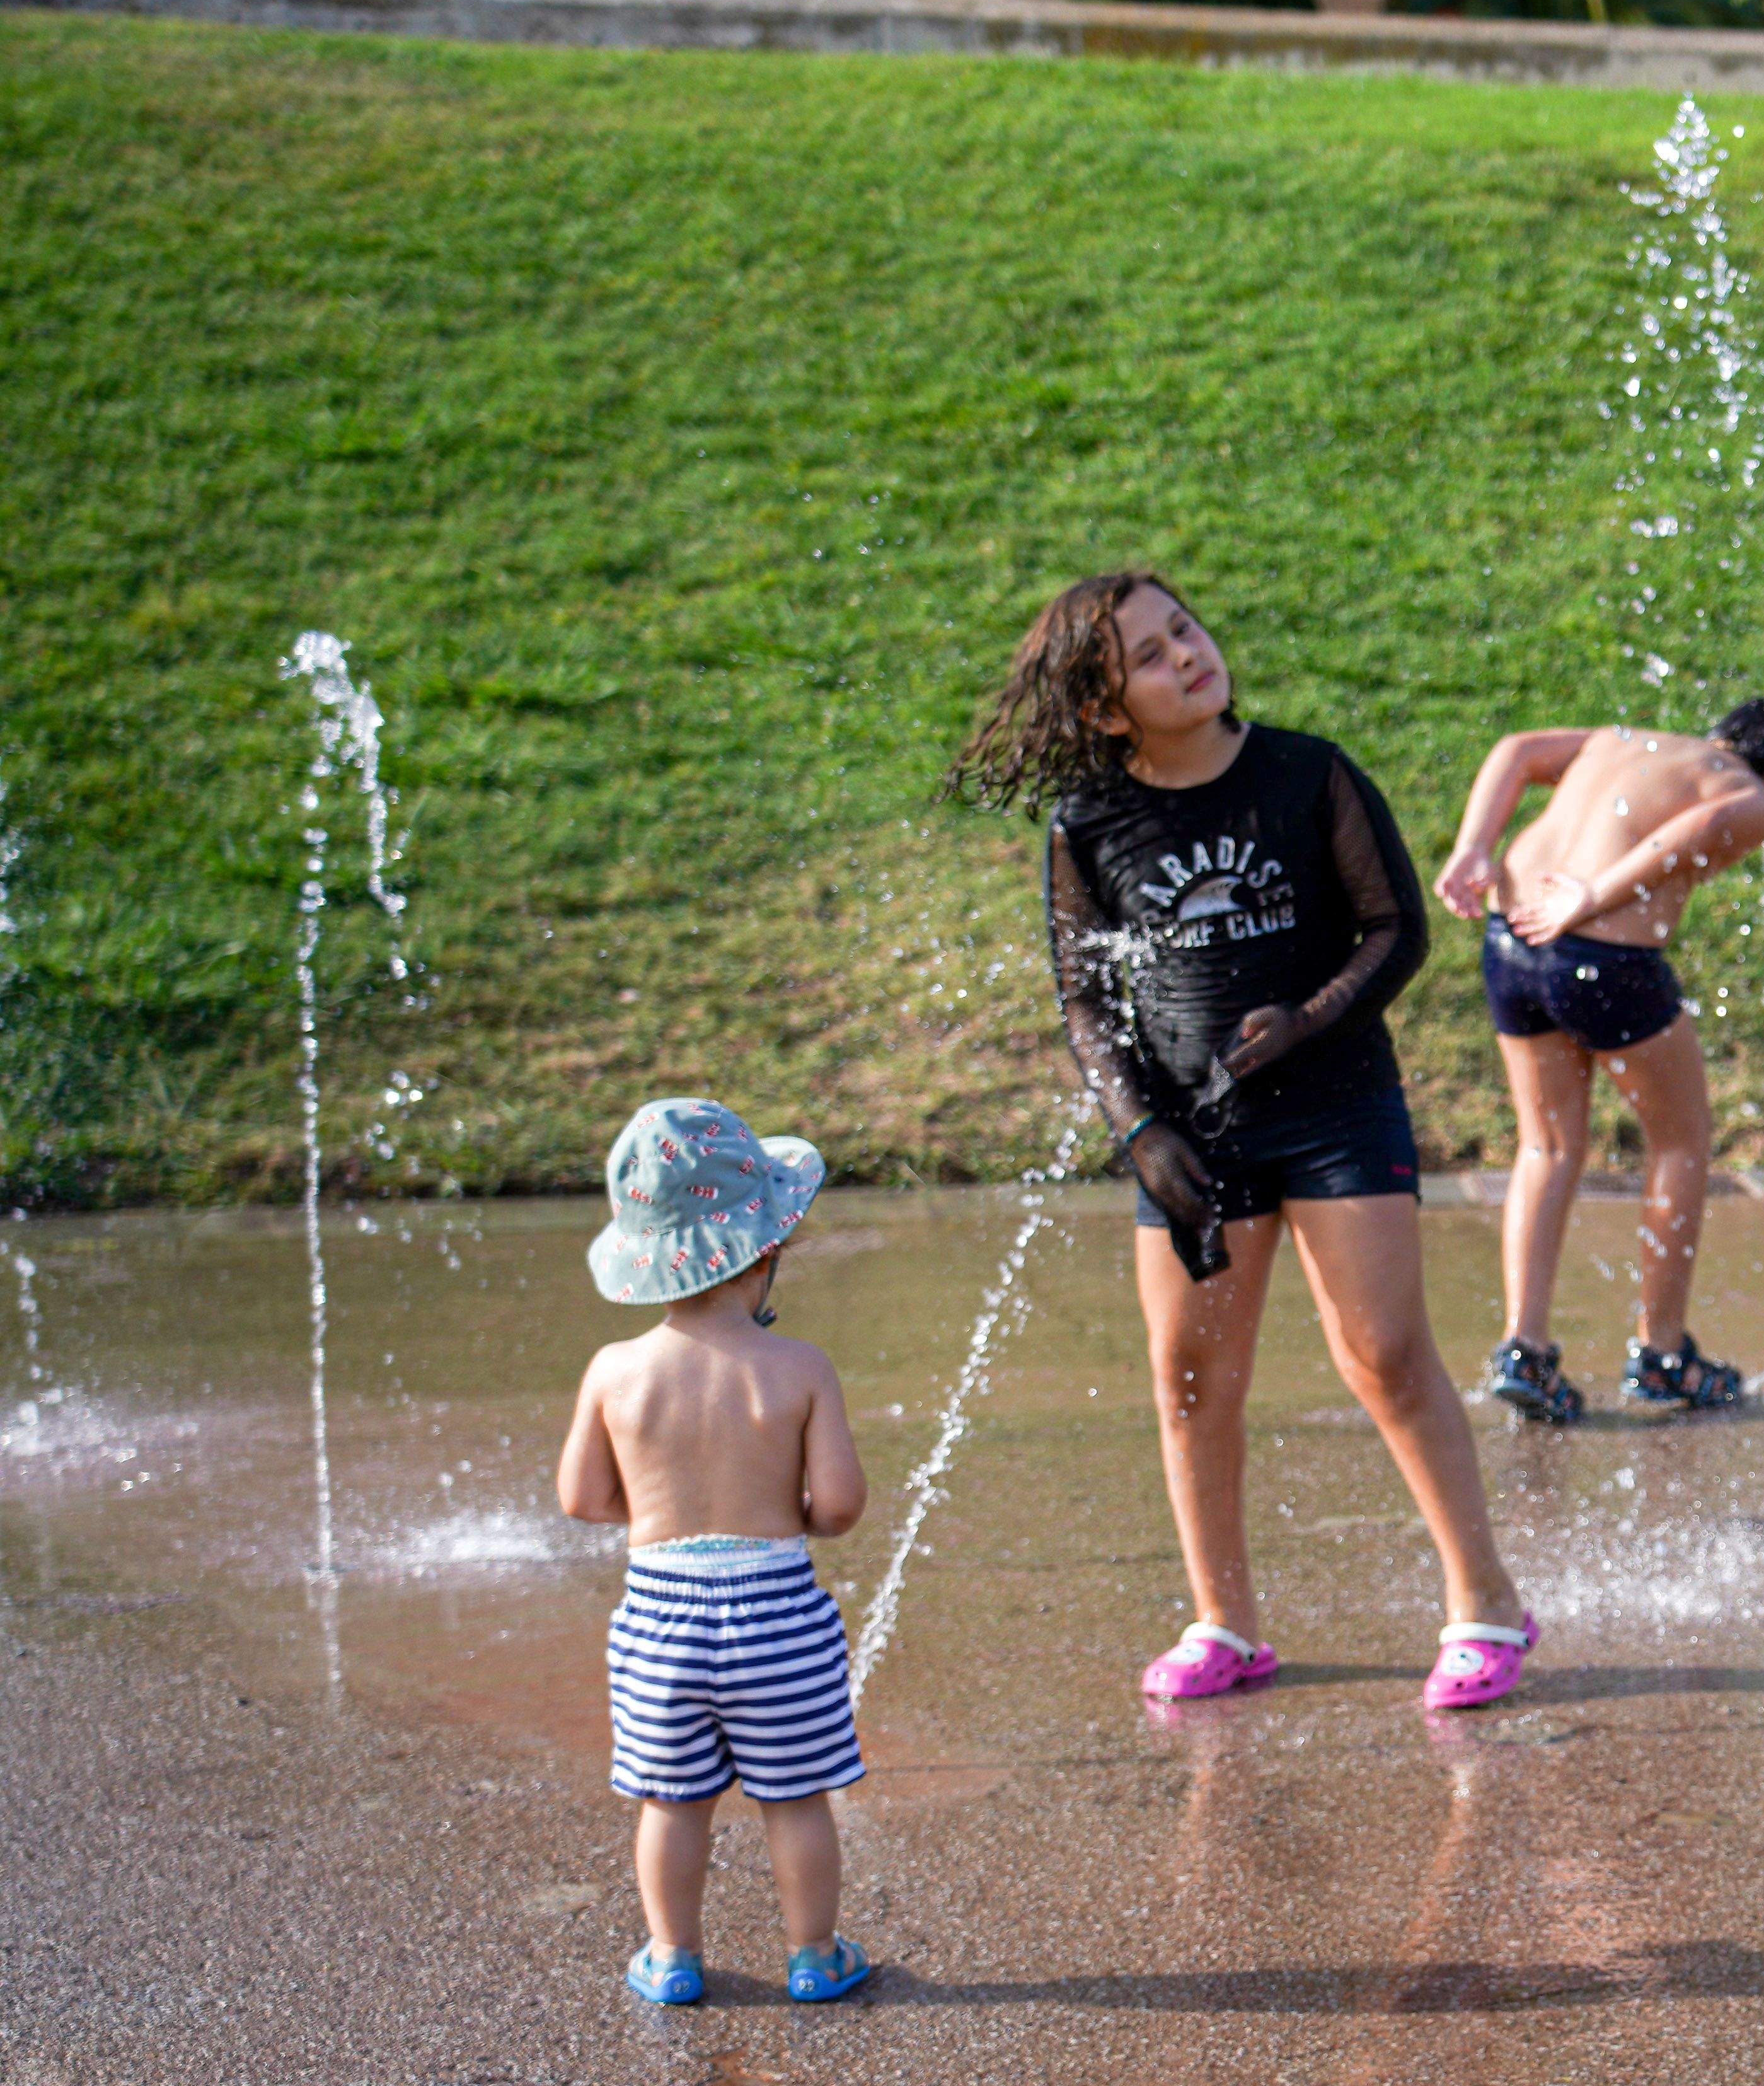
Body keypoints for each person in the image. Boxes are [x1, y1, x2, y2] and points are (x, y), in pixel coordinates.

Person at [952, 571, 1540, 1712]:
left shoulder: (1308, 773)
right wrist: (1140, 1132)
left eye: (1185, 629)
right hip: (1191, 1129)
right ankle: (1223, 1622)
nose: (1188, 655)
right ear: (1104, 709)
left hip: (1336, 1109)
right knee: (1188, 1378)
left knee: (1383, 1354)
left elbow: (1395, 930)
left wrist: (1309, 1021)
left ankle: (1486, 1606)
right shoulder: (1089, 824)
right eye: (1150, 655)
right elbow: (1084, 997)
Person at [1429, 700, 1764, 1425]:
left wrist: (1473, 848)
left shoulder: (1624, 740)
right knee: (1681, 1142)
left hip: (1509, 941)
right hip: (1602, 958)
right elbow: (1702, 827)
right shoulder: (1752, 795)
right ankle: (1662, 1352)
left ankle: (1524, 1350)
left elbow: (1517, 748)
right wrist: (1592, 896)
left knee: (1547, 1145)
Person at [557, 1098, 875, 2009]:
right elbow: (840, 1506)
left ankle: (672, 1956)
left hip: (660, 1620)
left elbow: (582, 1499)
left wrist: (662, 1508)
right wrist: (784, 1512)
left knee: (672, 1800)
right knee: (796, 1797)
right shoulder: (800, 1367)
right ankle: (814, 1955)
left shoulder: (615, 1371)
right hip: (778, 1617)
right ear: (765, 1253)